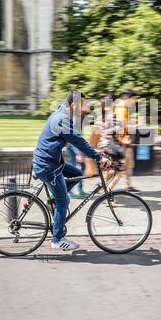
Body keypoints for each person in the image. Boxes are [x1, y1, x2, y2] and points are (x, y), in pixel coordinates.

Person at [33, 91, 111, 252]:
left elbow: (77, 140)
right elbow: (79, 140)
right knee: (64, 201)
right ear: (73, 104)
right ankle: (57, 239)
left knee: (76, 174)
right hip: (48, 166)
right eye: (82, 104)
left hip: (51, 162)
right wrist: (98, 157)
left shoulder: (61, 115)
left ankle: (53, 200)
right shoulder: (62, 119)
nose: (84, 108)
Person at [114, 89, 139, 192]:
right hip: (121, 142)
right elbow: (122, 125)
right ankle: (106, 189)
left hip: (125, 140)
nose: (135, 101)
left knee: (128, 164)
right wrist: (136, 125)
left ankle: (128, 185)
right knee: (122, 166)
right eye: (134, 99)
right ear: (128, 98)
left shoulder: (123, 107)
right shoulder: (121, 108)